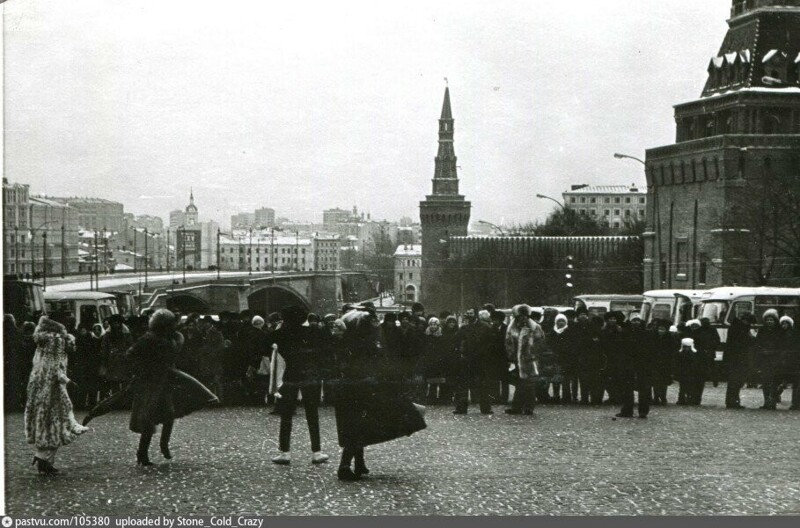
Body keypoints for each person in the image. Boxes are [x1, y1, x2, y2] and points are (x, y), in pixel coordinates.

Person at [334, 309, 426, 481]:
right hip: (361, 389)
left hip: (352, 390)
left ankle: (357, 463)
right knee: (358, 426)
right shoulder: (363, 344)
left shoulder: (350, 341)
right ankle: (345, 466)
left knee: (358, 426)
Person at [127, 309, 218, 466]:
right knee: (149, 418)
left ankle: (163, 446)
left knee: (168, 414)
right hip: (151, 383)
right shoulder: (151, 339)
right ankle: (143, 453)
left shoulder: (166, 338)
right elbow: (131, 355)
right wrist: (143, 369)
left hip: (165, 381)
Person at [24, 316, 89, 475]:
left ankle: (43, 458)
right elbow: (54, 368)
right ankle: (44, 460)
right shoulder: (57, 340)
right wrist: (68, 381)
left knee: (45, 422)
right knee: (57, 422)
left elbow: (41, 365)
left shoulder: (43, 337)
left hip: (38, 385)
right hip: (52, 388)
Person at [270, 306, 328, 466]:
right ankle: (317, 452)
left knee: (286, 413)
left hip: (291, 375)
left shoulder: (279, 334)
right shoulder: (314, 332)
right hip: (311, 375)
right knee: (312, 413)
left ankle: (285, 452)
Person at [452, 309, 496, 415]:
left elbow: (490, 345)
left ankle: (485, 408)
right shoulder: (463, 328)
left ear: (476, 315)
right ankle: (461, 408)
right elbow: (457, 341)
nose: (469, 315)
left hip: (480, 360)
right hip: (466, 360)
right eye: (468, 313)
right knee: (463, 385)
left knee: (482, 385)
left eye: (471, 313)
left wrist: (483, 355)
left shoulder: (485, 328)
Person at [505, 305, 544, 415]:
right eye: (520, 316)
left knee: (529, 384)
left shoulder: (535, 327)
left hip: (530, 360)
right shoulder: (511, 327)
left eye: (524, 316)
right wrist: (511, 356)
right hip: (516, 360)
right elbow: (508, 343)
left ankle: (529, 407)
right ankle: (517, 407)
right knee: (519, 383)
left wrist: (532, 355)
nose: (522, 318)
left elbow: (540, 343)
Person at [616, 314, 651, 418]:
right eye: (634, 320)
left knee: (643, 389)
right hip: (628, 363)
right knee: (627, 388)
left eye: (638, 320)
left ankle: (643, 411)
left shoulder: (646, 333)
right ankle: (627, 410)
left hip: (642, 363)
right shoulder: (625, 333)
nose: (636, 322)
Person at [754, 309, 783, 410]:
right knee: (765, 382)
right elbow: (758, 343)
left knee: (774, 383)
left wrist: (772, 352)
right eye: (768, 320)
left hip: (775, 361)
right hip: (764, 360)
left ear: (775, 321)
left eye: (771, 320)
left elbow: (781, 346)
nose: (769, 322)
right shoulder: (762, 330)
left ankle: (773, 402)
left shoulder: (779, 331)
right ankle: (767, 402)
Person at [724, 313, 754, 409]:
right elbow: (746, 342)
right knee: (736, 382)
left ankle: (731, 401)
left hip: (733, 359)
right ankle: (733, 402)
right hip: (738, 359)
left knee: (733, 382)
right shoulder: (741, 329)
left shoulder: (735, 327)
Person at [650, 320, 676, 405]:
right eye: (660, 329)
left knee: (664, 381)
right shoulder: (653, 337)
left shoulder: (670, 338)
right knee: (655, 380)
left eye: (663, 329)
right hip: (655, 362)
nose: (661, 331)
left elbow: (672, 352)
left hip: (665, 363)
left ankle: (663, 396)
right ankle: (656, 396)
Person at [780, 316, 799, 410]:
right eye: (783, 323)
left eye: (785, 323)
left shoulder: (790, 333)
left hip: (791, 360)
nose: (784, 325)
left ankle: (795, 403)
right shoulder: (790, 333)